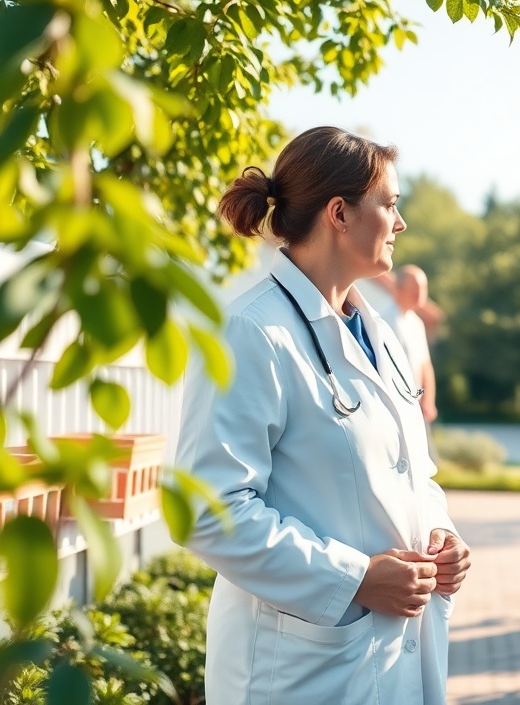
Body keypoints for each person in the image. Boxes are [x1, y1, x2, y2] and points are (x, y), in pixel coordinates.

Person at [174, 126, 471, 705]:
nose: (401, 223)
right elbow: (208, 511)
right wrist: (353, 578)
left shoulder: (379, 334)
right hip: (301, 670)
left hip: (393, 652)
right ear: (339, 212)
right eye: (390, 204)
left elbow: (415, 474)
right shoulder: (251, 332)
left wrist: (444, 537)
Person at [390, 265, 438, 425]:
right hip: (394, 406)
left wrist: (429, 400)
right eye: (416, 287)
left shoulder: (417, 323)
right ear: (399, 288)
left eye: (423, 288)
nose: (421, 293)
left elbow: (425, 364)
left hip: (416, 405)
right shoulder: (383, 322)